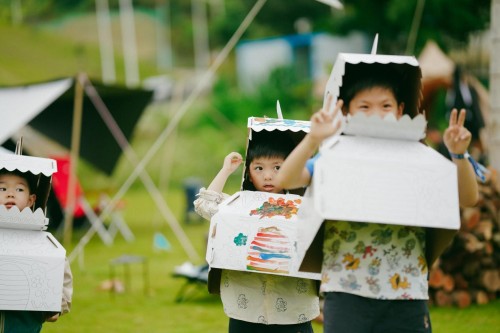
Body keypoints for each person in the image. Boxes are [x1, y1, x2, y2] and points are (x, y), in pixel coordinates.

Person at [276, 76, 479, 333]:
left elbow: (467, 198)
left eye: (385, 106)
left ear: (400, 111)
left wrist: (459, 154)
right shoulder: (335, 154)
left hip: (407, 292)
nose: (376, 115)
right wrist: (313, 139)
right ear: (347, 111)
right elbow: (287, 178)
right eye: (365, 107)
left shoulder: (418, 157)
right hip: (347, 290)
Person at [194, 138, 319, 333]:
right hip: (245, 308)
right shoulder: (239, 205)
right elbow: (205, 206)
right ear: (249, 173)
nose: (268, 176)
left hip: (293, 309)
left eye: (277, 167)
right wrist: (226, 170)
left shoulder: (305, 205)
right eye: (259, 168)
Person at [0, 169, 73, 333]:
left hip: (24, 324)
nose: (10, 194)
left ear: (30, 200)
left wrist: (58, 304)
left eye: (19, 189)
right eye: (2, 189)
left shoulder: (40, 241)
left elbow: (59, 268)